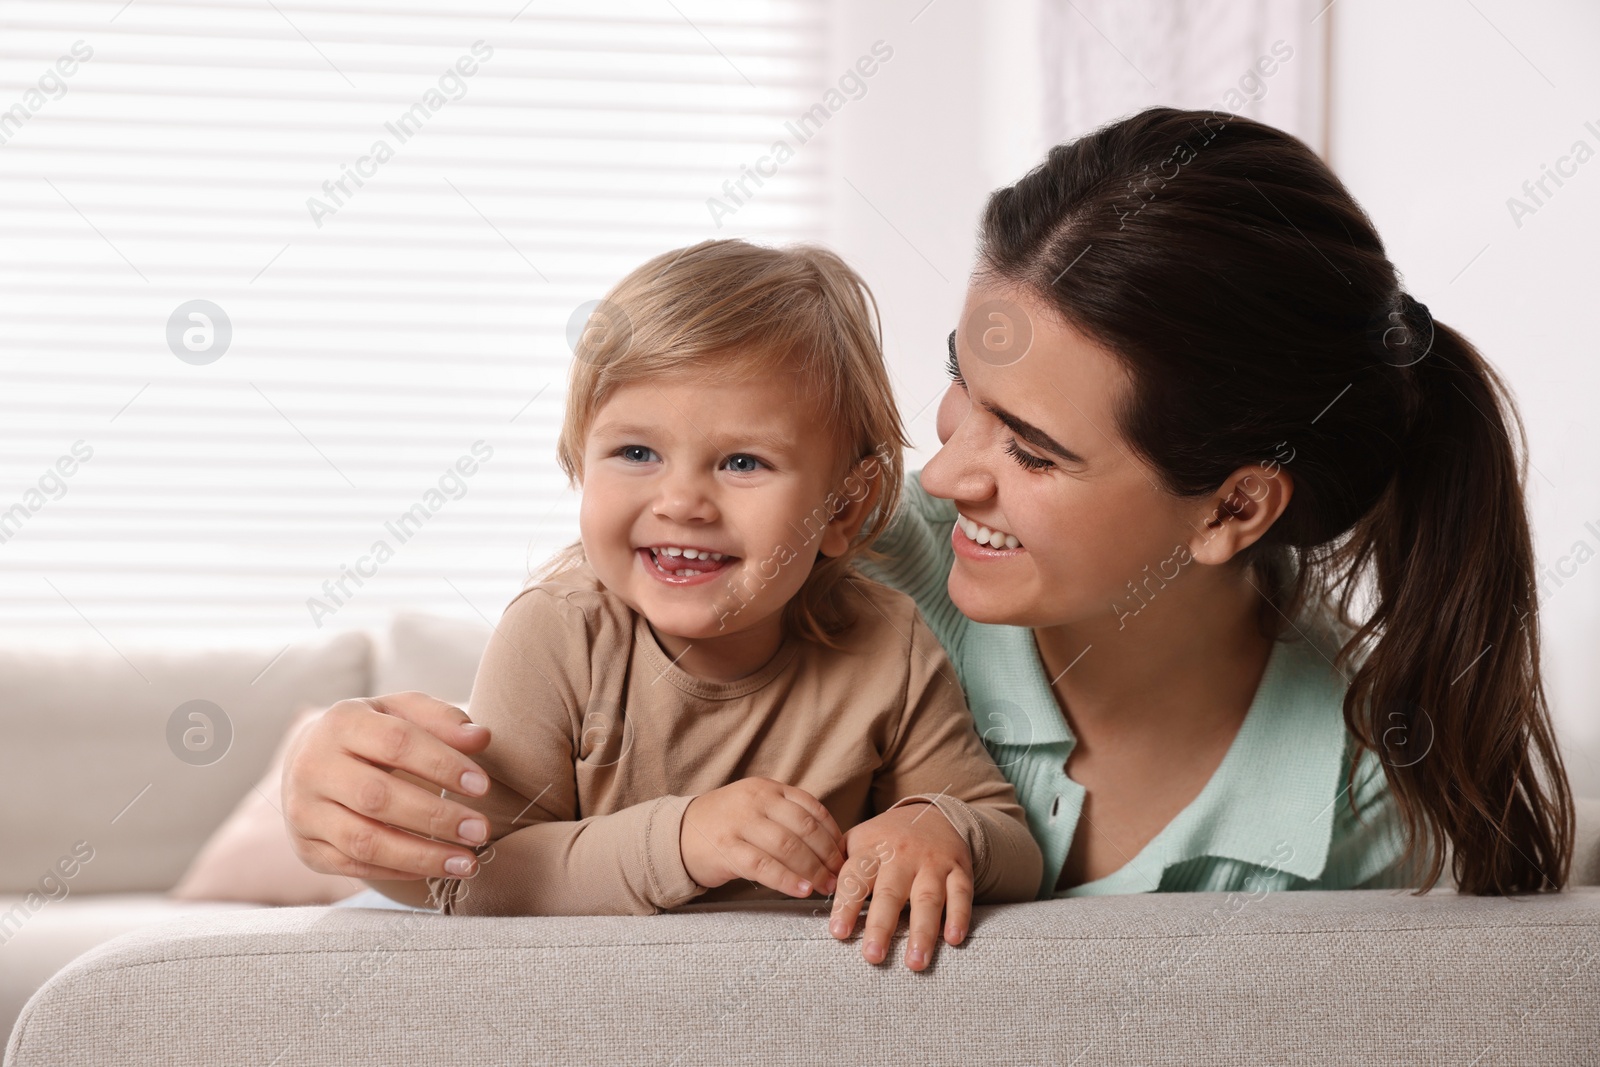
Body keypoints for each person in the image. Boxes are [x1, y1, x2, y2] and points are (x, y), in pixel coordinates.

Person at [284, 107, 1573, 958]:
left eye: (1032, 446)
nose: (943, 467)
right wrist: (328, 770)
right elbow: (540, 768)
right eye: (964, 377)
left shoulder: (1360, 809)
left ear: (1235, 505)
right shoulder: (853, 555)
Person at [294, 238, 1043, 972]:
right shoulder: (558, 631)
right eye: (636, 453)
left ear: (846, 507)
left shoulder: (887, 643)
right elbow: (477, 872)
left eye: (743, 461)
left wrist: (937, 822)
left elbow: (1013, 842)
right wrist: (685, 839)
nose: (681, 501)